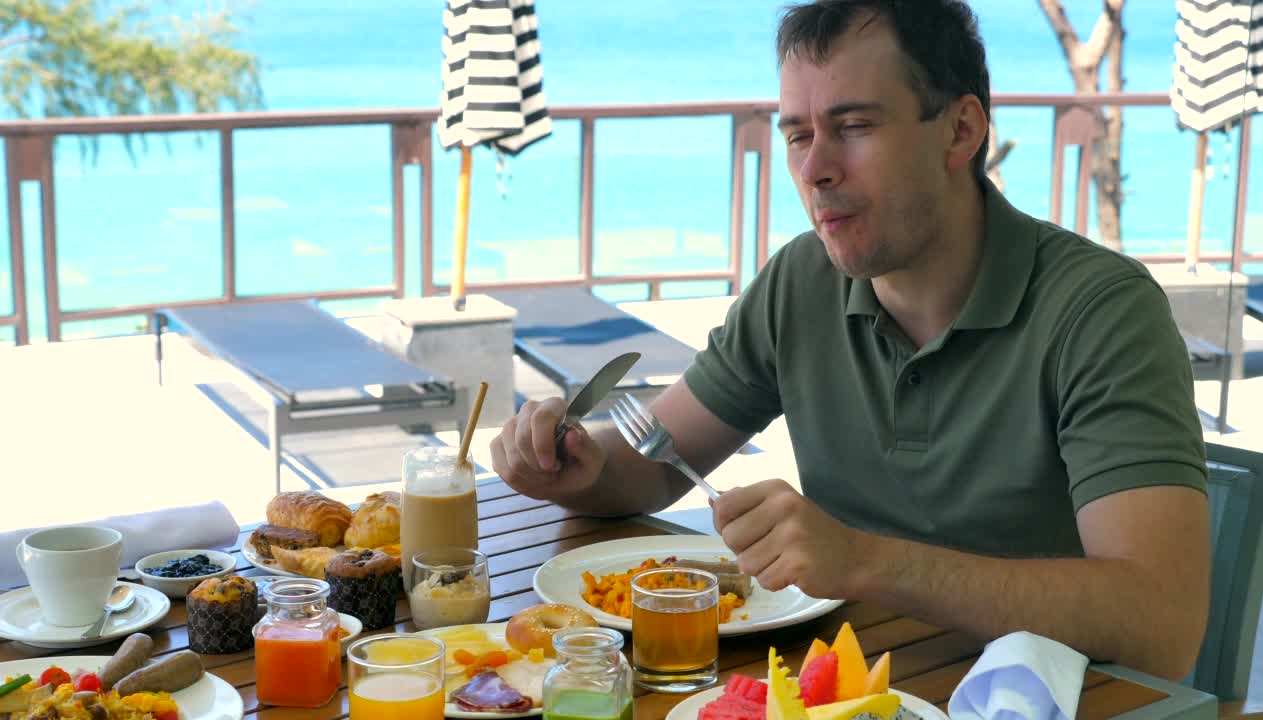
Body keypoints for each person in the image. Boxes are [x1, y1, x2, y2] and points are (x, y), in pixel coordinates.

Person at [490, 0, 1209, 680]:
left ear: (961, 131)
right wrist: (577, 470)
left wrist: (864, 562)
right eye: (798, 134)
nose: (814, 169)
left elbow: (1163, 622)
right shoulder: (801, 282)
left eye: (855, 126)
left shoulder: (1101, 313)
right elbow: (654, 467)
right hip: (847, 689)